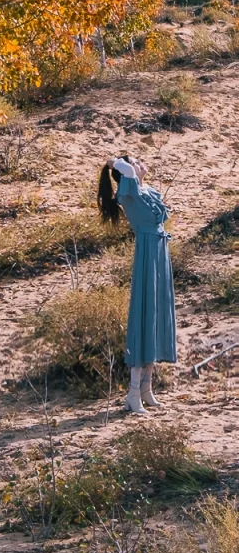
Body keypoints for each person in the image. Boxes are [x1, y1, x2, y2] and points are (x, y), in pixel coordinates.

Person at [97, 155, 177, 414]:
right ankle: (133, 393)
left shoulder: (145, 190)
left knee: (156, 316)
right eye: (136, 162)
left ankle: (146, 389)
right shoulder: (128, 192)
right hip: (147, 255)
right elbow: (123, 168)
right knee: (144, 317)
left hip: (159, 253)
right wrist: (113, 162)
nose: (142, 163)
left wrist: (125, 165)